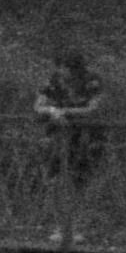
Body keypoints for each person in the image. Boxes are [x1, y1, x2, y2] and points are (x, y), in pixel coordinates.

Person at [37, 51, 107, 238]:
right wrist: (52, 111)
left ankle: (76, 228)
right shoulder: (54, 80)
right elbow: (38, 105)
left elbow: (93, 108)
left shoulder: (92, 80)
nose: (60, 72)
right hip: (58, 136)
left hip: (86, 137)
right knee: (53, 181)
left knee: (80, 182)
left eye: (64, 68)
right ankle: (61, 227)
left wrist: (65, 111)